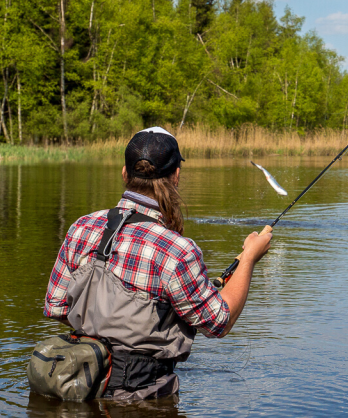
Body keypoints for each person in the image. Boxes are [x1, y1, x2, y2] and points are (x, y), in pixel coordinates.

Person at [43, 126, 271, 401]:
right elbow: (219, 322)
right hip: (141, 396)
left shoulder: (81, 227)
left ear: (125, 173)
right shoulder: (177, 250)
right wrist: (248, 258)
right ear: (176, 176)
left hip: (77, 384)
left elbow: (56, 308)